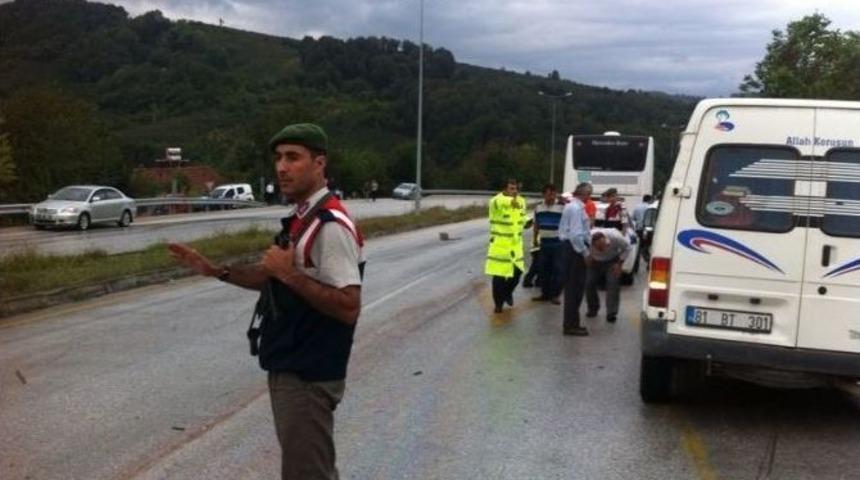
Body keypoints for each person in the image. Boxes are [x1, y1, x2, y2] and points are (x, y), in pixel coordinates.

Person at [168, 123, 364, 480]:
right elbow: (271, 278)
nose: (282, 167)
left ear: (319, 163)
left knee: (308, 474)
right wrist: (215, 270)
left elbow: (349, 305)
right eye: (278, 158)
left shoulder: (329, 225)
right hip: (292, 364)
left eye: (293, 157)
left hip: (310, 372)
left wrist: (289, 274)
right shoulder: (301, 220)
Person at [485, 179, 526, 313]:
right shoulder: (496, 201)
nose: (514, 192)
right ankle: (498, 304)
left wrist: (527, 222)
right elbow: (504, 202)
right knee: (499, 277)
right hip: (500, 246)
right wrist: (513, 201)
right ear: (504, 189)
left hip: (515, 246)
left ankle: (507, 293)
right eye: (511, 189)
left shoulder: (520, 201)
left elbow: (521, 217)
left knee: (518, 273)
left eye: (515, 189)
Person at [558, 182, 592, 336]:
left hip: (571, 248)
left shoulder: (574, 207)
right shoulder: (576, 209)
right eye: (588, 194)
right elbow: (576, 235)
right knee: (574, 290)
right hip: (574, 250)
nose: (589, 197)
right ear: (582, 194)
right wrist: (585, 253)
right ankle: (570, 325)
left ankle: (573, 323)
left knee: (575, 289)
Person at [585, 228, 632, 323]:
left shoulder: (616, 237)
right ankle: (593, 308)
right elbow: (580, 247)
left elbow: (628, 248)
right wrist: (587, 257)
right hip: (594, 261)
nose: (602, 250)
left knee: (613, 284)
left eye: (604, 247)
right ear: (593, 244)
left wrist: (619, 263)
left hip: (612, 261)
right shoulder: (586, 238)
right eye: (599, 248)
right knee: (588, 283)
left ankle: (611, 313)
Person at [531, 184, 565, 304]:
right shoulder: (538, 208)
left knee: (558, 270)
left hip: (557, 243)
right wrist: (534, 239)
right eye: (549, 194)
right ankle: (545, 294)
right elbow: (536, 224)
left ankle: (555, 295)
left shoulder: (562, 207)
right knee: (543, 270)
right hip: (544, 244)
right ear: (543, 194)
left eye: (553, 194)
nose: (551, 197)